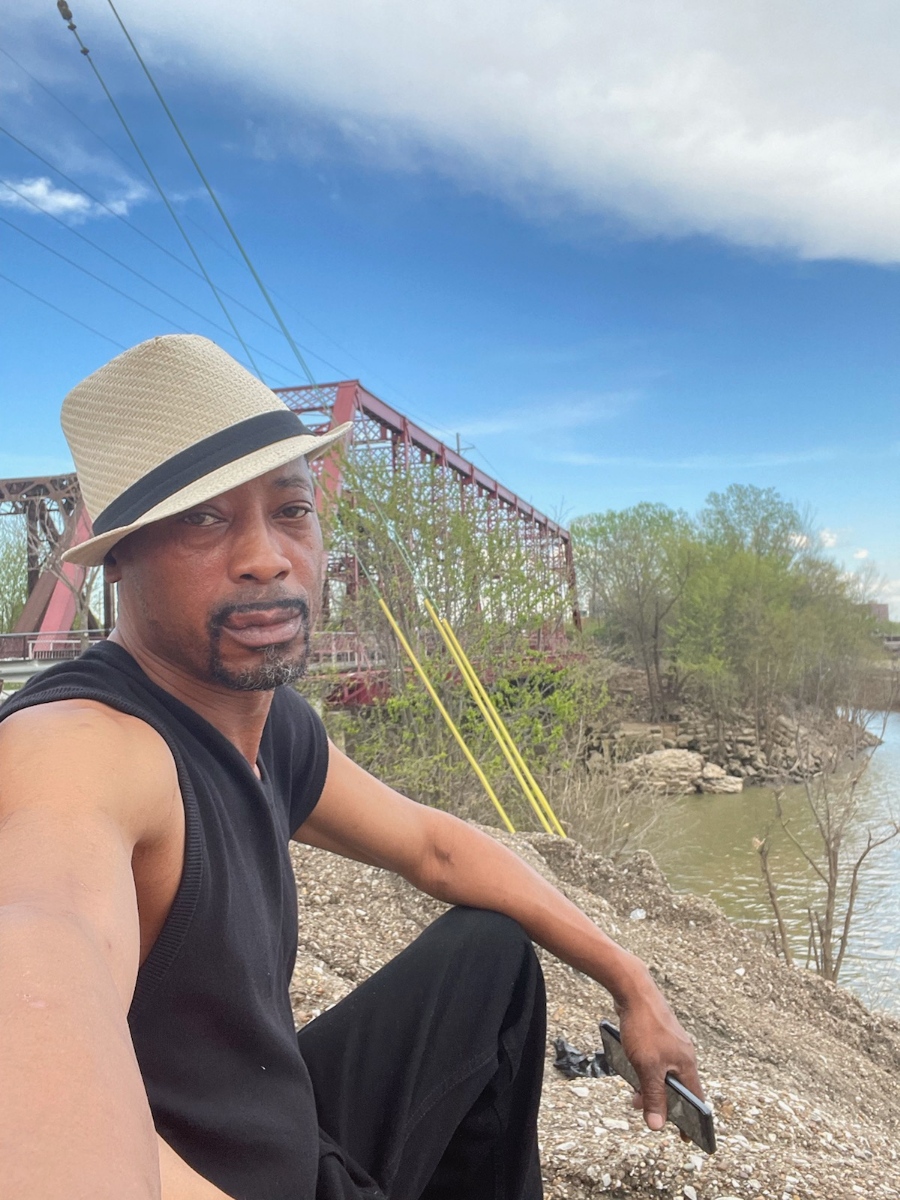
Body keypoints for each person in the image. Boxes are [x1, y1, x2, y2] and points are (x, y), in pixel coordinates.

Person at [0, 335, 702, 1200]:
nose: (266, 556)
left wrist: (633, 981)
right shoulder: (80, 748)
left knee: (491, 958)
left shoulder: (267, 722)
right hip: (202, 1177)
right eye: (204, 520)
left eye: (292, 510)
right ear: (119, 558)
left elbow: (435, 848)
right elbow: (35, 973)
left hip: (281, 1130)